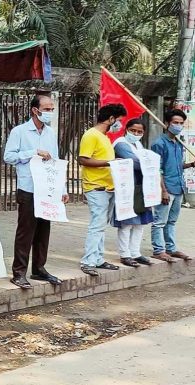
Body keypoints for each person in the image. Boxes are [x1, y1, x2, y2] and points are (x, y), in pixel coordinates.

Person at [3, 94, 68, 289]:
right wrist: (32, 153)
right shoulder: (20, 132)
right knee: (26, 231)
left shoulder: (50, 133)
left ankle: (39, 268)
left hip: (46, 189)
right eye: (47, 109)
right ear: (35, 110)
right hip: (28, 188)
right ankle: (19, 272)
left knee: (43, 230)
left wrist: (61, 188)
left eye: (52, 109)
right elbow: (8, 156)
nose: (50, 113)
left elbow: (55, 161)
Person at [78, 103, 127, 276]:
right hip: (96, 186)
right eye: (119, 121)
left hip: (108, 187)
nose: (119, 125)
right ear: (111, 119)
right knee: (96, 225)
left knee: (101, 225)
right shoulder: (91, 135)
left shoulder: (105, 137)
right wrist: (110, 163)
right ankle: (88, 261)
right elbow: (83, 159)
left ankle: (97, 258)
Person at [150, 108, 194, 262]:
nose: (178, 125)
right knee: (160, 221)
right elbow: (157, 169)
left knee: (171, 221)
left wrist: (190, 164)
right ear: (167, 123)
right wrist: (163, 190)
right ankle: (158, 250)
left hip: (179, 187)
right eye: (175, 122)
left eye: (181, 123)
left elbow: (176, 165)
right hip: (166, 188)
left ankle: (171, 248)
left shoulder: (178, 142)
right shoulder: (159, 144)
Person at [112, 118, 155, 267]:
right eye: (133, 130)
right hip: (126, 186)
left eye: (139, 131)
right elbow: (136, 162)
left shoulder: (138, 144)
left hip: (140, 187)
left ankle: (135, 252)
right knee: (127, 222)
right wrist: (150, 163)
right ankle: (125, 254)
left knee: (140, 223)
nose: (136, 133)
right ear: (126, 129)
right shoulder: (121, 144)